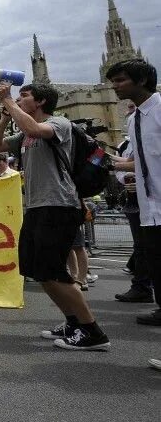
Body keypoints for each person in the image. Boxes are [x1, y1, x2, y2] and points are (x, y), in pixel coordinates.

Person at [0, 81, 109, 351]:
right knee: (39, 270)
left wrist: (7, 99)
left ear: (40, 101)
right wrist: (5, 117)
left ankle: (93, 332)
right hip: (36, 206)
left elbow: (33, 127)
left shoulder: (59, 123)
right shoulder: (24, 135)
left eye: (24, 95)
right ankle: (74, 322)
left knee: (54, 270)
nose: (19, 98)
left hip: (59, 205)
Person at [106, 59, 161, 327]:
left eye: (120, 80)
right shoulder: (134, 119)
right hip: (148, 206)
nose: (115, 86)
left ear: (141, 81)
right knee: (154, 260)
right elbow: (143, 158)